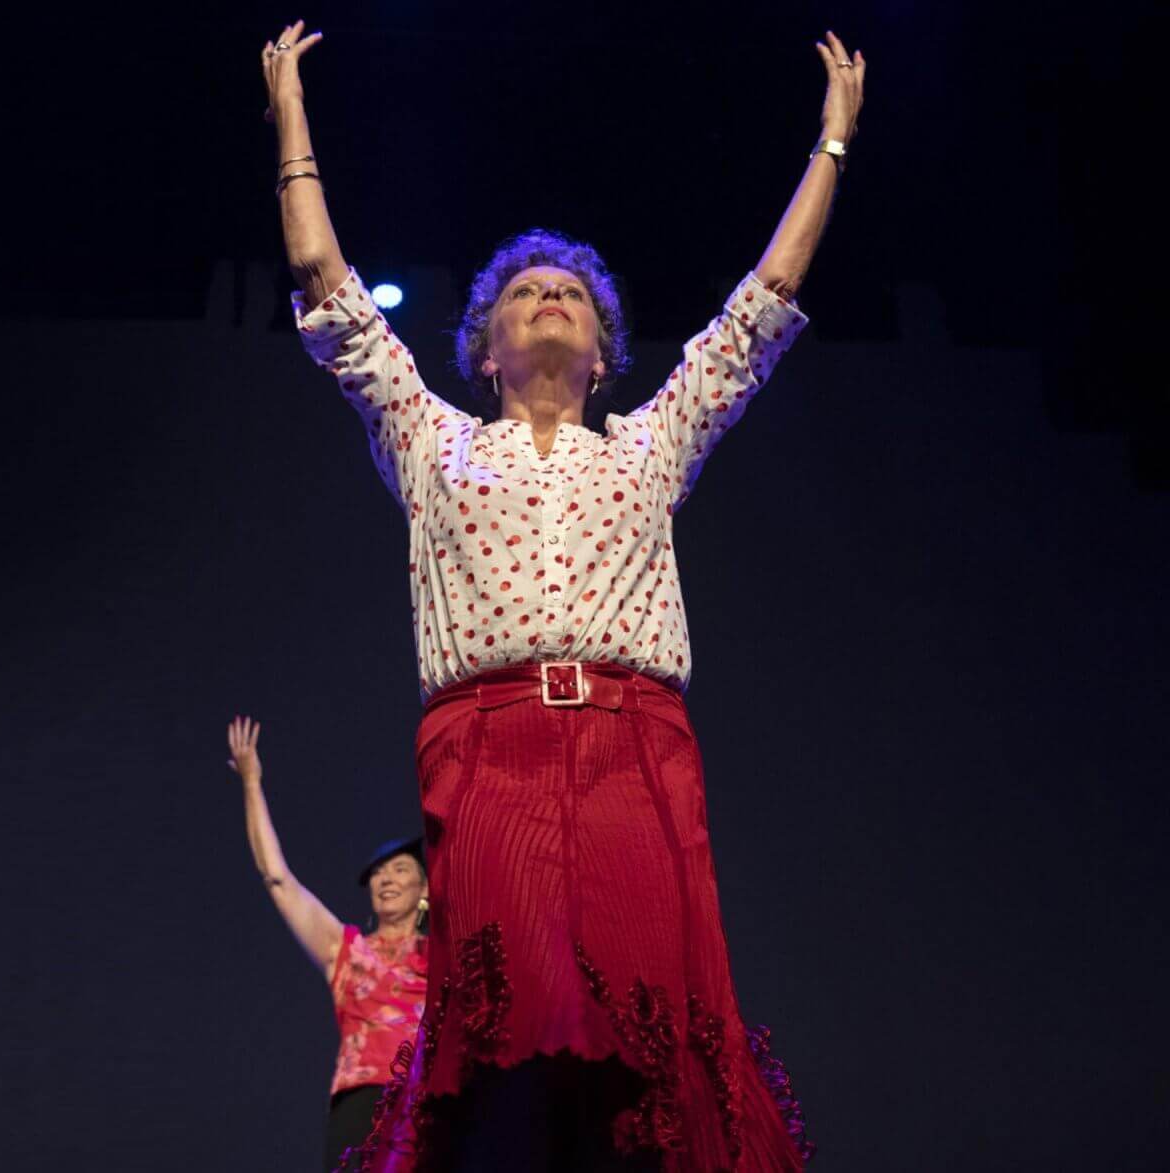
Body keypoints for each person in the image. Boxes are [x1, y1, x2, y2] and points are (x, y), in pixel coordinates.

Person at [256, 18, 863, 1172]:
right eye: (525, 291)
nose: (550, 296)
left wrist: (831, 141)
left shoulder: (648, 445)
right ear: (483, 350)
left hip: (636, 747)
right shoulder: (431, 440)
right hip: (488, 751)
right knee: (508, 1038)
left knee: (653, 1030)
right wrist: (290, 116)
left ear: (601, 352)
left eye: (571, 292)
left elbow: (762, 306)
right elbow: (327, 290)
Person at [226, 716, 426, 1170]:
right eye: (377, 874)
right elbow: (278, 878)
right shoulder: (349, 951)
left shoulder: (445, 955)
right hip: (362, 1102)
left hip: (427, 1101)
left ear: (423, 889)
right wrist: (252, 783)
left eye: (399, 870)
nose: (386, 879)